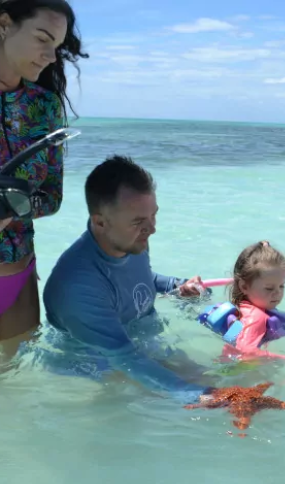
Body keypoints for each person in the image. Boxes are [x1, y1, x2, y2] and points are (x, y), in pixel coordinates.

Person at [42, 155, 213, 404]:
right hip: (94, 368)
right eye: (139, 221)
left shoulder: (131, 240)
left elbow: (137, 278)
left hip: (141, 347)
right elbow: (124, 357)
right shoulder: (77, 288)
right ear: (100, 222)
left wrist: (175, 286)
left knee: (228, 377)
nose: (152, 229)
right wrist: (196, 395)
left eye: (153, 215)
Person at [0, 0, 87, 349]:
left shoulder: (44, 106)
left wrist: (11, 208)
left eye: (57, 46)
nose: (51, 56)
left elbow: (51, 197)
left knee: (15, 391)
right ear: (4, 24)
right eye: (43, 39)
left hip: (16, 276)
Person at [198, 240, 285, 360]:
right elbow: (245, 351)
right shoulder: (256, 317)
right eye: (269, 288)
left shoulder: (242, 308)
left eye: (282, 286)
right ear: (244, 286)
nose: (278, 292)